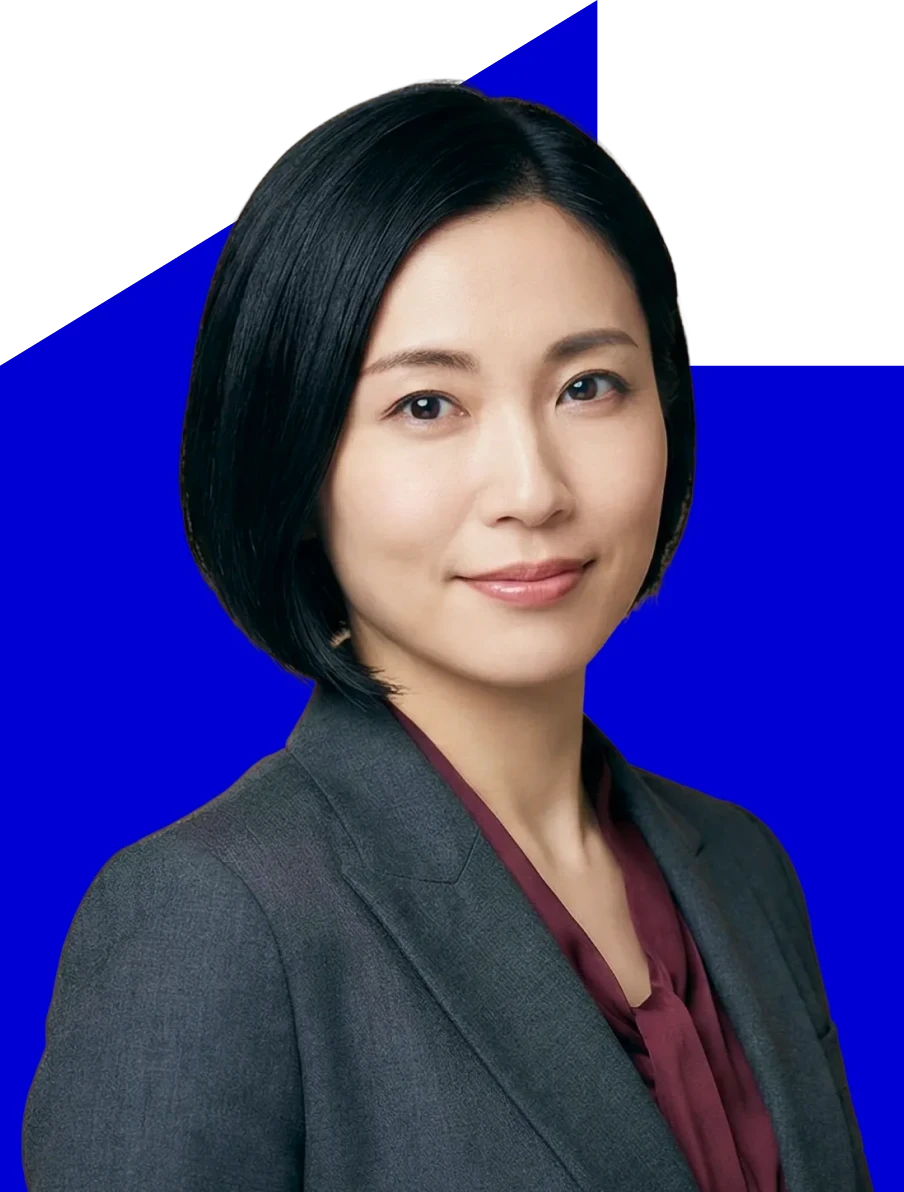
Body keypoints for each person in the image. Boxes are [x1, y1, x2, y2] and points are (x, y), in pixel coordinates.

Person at [22, 80, 872, 1192]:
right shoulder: (213, 920)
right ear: (295, 458)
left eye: (588, 386)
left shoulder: (744, 867)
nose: (532, 489)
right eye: (426, 405)